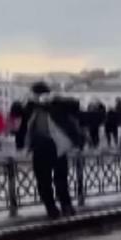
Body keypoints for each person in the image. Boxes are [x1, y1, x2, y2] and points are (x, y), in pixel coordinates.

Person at [19, 82, 85, 219]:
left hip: (57, 146)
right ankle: (51, 208)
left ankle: (66, 206)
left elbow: (76, 105)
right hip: (39, 146)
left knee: (61, 178)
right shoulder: (31, 107)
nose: (34, 97)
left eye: (35, 94)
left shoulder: (56, 105)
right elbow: (18, 114)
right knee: (43, 180)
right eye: (33, 95)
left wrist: (55, 98)